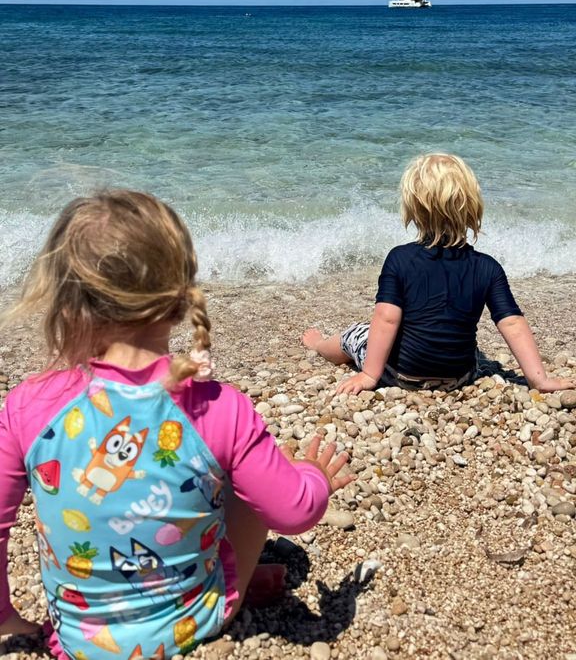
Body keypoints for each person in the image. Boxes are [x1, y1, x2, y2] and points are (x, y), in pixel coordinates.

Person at [0, 190, 352, 659]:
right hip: (194, 625)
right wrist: (313, 477)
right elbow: (294, 513)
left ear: (68, 299)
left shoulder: (30, 404)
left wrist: (6, 616)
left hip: (78, 641)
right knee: (235, 476)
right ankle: (233, 581)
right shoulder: (217, 408)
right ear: (178, 302)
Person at [303, 153, 576, 397]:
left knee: (356, 333)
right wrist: (538, 379)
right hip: (460, 376)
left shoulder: (399, 258)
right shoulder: (487, 266)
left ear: (414, 209)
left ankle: (319, 345)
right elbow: (512, 323)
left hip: (401, 374)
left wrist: (370, 375)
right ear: (471, 207)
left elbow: (386, 319)